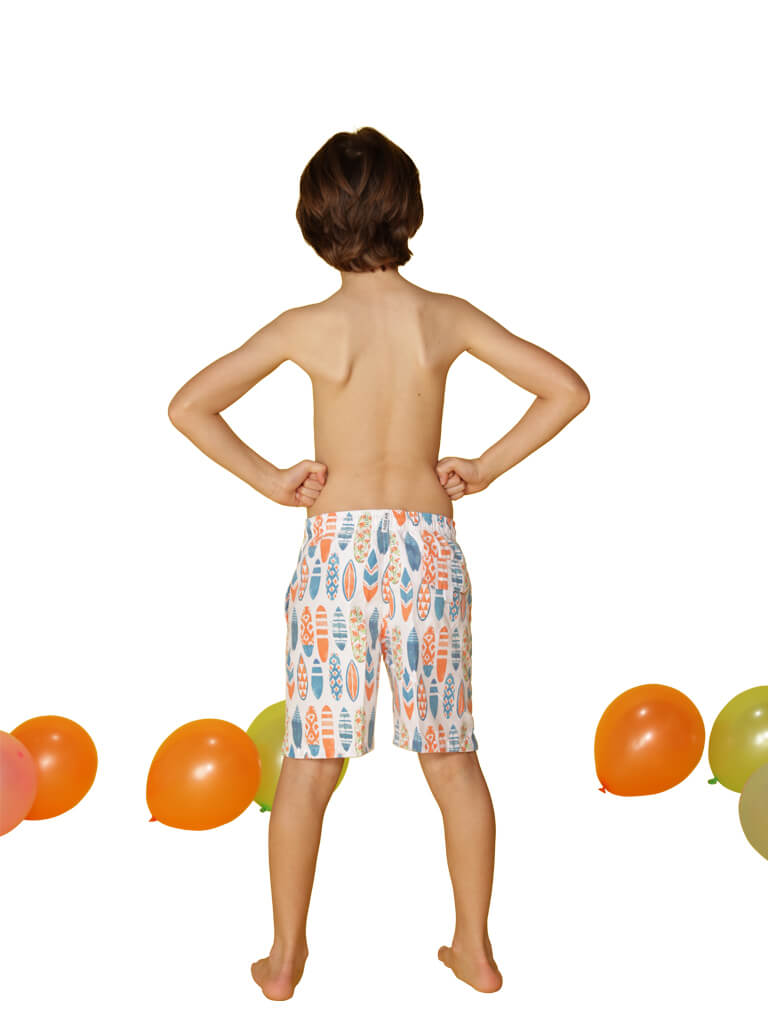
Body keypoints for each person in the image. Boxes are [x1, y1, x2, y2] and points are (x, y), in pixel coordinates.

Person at [167, 126, 590, 1000]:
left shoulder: (309, 328)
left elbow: (189, 406)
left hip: (337, 555)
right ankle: (474, 949)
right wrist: (485, 467)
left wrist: (271, 479)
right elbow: (567, 389)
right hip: (427, 551)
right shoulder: (445, 317)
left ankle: (285, 959)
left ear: (313, 219)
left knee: (310, 765)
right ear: (410, 209)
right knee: (452, 758)